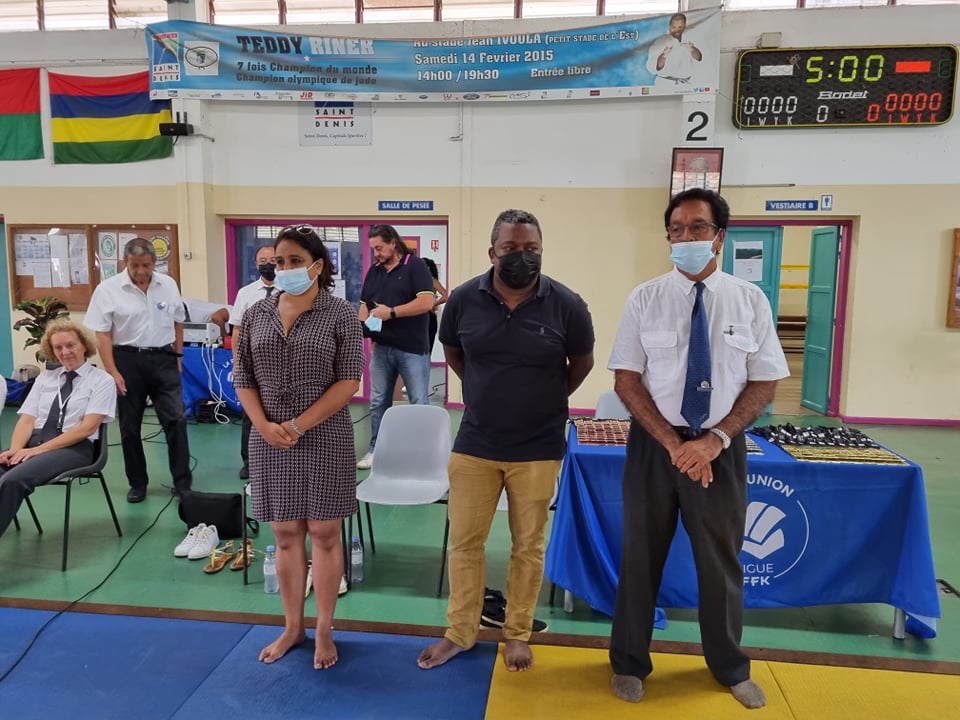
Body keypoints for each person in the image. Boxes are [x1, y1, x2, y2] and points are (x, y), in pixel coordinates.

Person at [606, 188, 789, 709]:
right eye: (677, 228)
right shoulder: (645, 299)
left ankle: (730, 666)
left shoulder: (750, 301)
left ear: (719, 236)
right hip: (654, 449)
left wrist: (715, 439)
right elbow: (626, 380)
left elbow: (764, 381)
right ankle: (628, 663)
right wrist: (673, 444)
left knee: (721, 563)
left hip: (721, 449)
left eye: (698, 227)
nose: (686, 236)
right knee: (640, 557)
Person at [417, 209, 595, 673]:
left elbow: (582, 363)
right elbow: (454, 352)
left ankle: (516, 632)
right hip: (476, 442)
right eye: (511, 248)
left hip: (537, 446)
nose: (522, 256)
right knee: (464, 543)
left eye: (531, 248)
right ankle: (460, 632)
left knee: (528, 546)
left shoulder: (568, 305)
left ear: (542, 250)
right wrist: (484, 393)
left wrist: (544, 401)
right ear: (492, 251)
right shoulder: (462, 300)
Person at [233, 224, 364, 669]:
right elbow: (243, 376)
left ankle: (324, 627)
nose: (284, 268)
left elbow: (349, 379)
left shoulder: (340, 313)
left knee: (325, 534)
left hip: (325, 435)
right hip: (269, 439)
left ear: (317, 265)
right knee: (286, 535)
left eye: (294, 261)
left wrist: (297, 424)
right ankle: (293, 627)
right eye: (279, 262)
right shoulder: (256, 314)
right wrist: (263, 426)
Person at [84, 237, 192, 503]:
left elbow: (178, 322)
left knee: (176, 420)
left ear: (155, 263)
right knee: (130, 426)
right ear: (125, 262)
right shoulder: (108, 289)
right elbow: (103, 334)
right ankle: (138, 483)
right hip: (127, 360)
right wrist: (112, 371)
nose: (141, 271)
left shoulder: (168, 284)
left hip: (164, 358)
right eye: (134, 265)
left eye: (146, 265)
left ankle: (182, 483)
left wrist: (178, 357)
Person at [0, 320, 116, 537]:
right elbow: (26, 420)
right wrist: (16, 449)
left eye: (70, 345)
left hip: (75, 447)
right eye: (58, 348)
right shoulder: (45, 379)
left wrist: (36, 451)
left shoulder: (102, 381)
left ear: (84, 345)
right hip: (35, 441)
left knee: (13, 480)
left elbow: (87, 428)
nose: (65, 352)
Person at [356, 224, 435, 469]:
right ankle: (376, 450)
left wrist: (391, 312)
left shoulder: (416, 266)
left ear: (393, 243)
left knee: (418, 402)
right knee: (378, 402)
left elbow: (426, 302)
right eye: (373, 249)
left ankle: (422, 454)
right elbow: (365, 305)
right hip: (382, 348)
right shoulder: (375, 271)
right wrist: (362, 330)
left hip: (412, 349)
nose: (376, 253)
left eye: (379, 248)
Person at [229, 244, 278, 480]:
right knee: (251, 414)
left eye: (273, 260)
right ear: (255, 264)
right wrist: (238, 362)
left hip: (279, 362)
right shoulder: (245, 293)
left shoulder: (290, 292)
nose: (268, 265)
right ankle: (249, 462)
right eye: (263, 261)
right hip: (253, 362)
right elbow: (237, 330)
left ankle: (279, 458)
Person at [646, 13, 703, 89]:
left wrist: (692, 49)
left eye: (680, 27)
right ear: (669, 26)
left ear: (684, 26)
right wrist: (663, 56)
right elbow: (653, 67)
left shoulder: (690, 38)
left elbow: (699, 58)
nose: (677, 30)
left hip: (686, 84)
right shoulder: (660, 42)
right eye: (674, 27)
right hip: (665, 84)